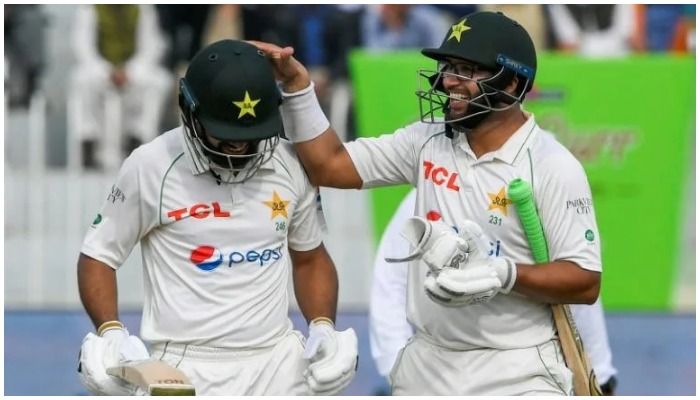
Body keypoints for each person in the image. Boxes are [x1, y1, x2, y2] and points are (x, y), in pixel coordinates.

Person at [251, 10, 602, 395]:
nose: (448, 80)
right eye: (448, 66)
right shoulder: (428, 139)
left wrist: (504, 274)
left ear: (514, 81)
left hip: (517, 368)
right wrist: (298, 87)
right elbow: (330, 167)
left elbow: (584, 281)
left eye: (468, 69)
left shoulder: (552, 165)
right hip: (428, 364)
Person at [75, 40, 358, 396]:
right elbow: (99, 255)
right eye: (225, 137)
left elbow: (310, 257)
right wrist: (110, 331)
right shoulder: (150, 166)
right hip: (185, 365)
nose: (238, 148)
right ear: (190, 111)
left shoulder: (289, 162)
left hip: (278, 360)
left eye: (250, 137)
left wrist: (322, 327)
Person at [369, 188, 618, 395]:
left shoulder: (542, 188)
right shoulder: (425, 195)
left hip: (526, 375)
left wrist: (601, 374)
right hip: (438, 376)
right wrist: (395, 368)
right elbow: (389, 285)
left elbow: (571, 288)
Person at [70, 4, 172, 169]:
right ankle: (88, 140)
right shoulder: (89, 8)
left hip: (132, 73)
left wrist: (130, 71)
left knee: (160, 81)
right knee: (80, 79)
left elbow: (151, 46)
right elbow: (82, 47)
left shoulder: (143, 8)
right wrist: (106, 72)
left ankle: (139, 138)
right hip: (100, 72)